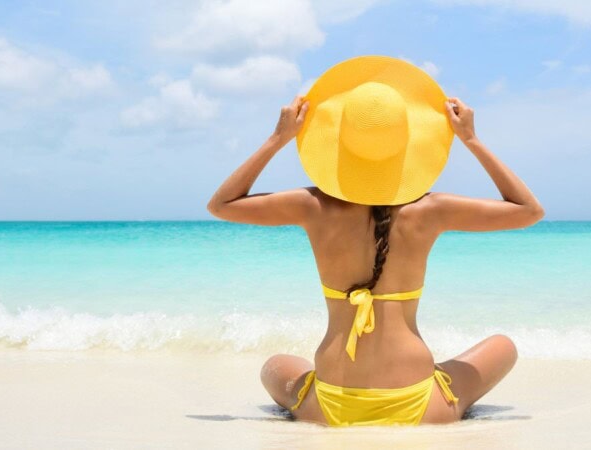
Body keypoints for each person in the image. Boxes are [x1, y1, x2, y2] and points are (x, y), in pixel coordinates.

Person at [207, 56, 545, 427]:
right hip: (418, 404)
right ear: (409, 147)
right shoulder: (433, 209)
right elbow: (529, 210)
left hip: (331, 406)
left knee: (275, 367)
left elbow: (222, 205)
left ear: (337, 143)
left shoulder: (312, 206)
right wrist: (471, 139)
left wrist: (278, 138)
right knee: (503, 347)